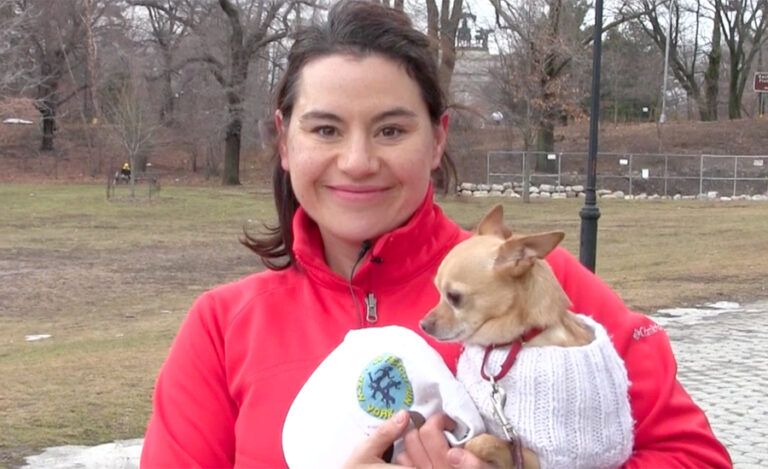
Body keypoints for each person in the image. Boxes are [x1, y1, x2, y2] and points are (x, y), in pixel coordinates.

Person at [140, 1, 732, 468]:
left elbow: (695, 459)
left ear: (438, 138)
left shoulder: (538, 289)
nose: (356, 161)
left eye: (391, 130)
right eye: (324, 129)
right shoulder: (223, 328)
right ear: (285, 140)